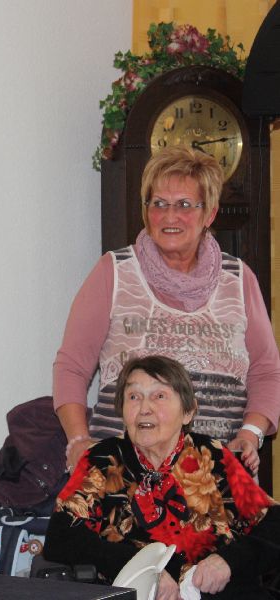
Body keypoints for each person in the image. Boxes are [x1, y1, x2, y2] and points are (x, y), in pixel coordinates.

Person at [53, 145, 280, 472]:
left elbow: (267, 371)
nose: (170, 216)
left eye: (184, 204)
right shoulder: (113, 272)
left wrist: (251, 433)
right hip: (124, 477)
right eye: (159, 203)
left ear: (209, 214)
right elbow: (71, 366)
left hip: (217, 479)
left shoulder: (239, 279)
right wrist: (77, 440)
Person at [44, 355, 280, 600]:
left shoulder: (213, 456)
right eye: (133, 397)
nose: (144, 408)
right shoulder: (103, 460)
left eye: (159, 396)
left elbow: (273, 524)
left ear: (188, 412)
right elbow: (61, 538)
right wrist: (143, 568)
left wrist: (228, 561)